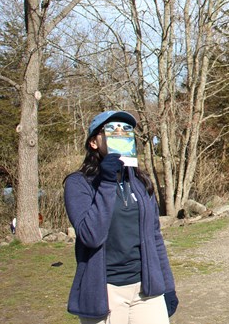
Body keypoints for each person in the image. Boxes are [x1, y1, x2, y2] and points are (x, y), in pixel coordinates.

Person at [64, 110, 178, 324]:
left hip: (147, 289)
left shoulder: (140, 181)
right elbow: (91, 236)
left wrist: (168, 286)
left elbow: (155, 237)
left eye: (126, 130)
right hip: (105, 292)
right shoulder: (78, 184)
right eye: (111, 130)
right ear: (93, 143)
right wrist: (106, 181)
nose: (121, 134)